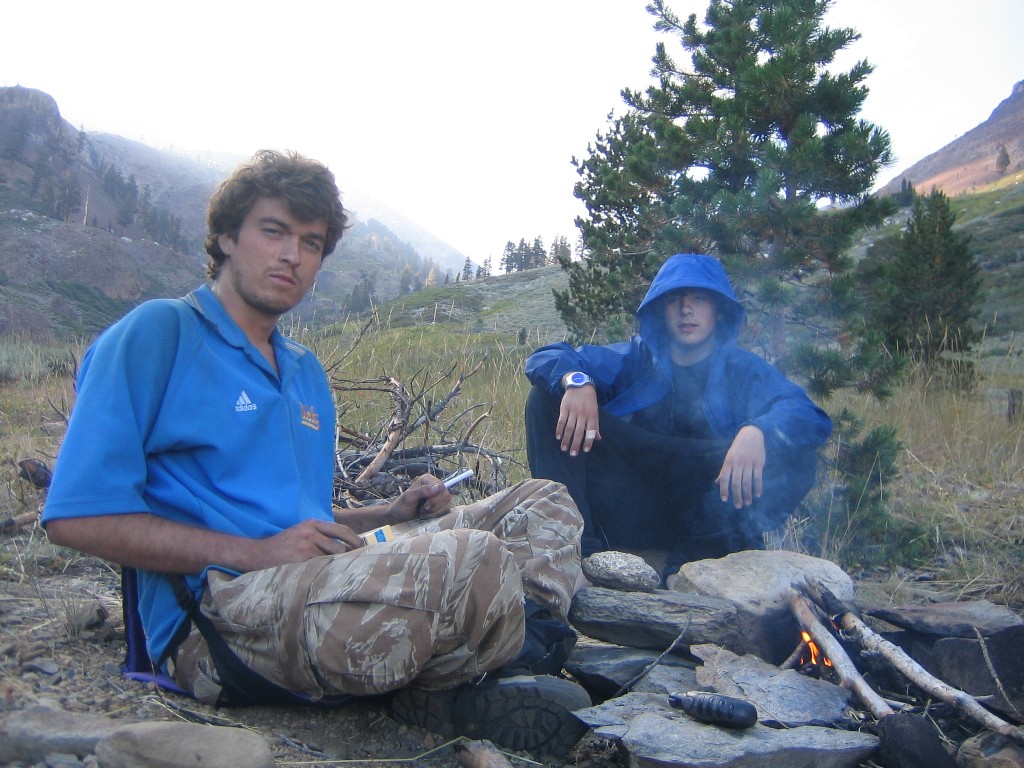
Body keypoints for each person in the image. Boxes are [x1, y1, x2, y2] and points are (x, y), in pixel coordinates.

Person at [41, 150, 590, 757]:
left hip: (308, 581)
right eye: (273, 231)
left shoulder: (304, 372)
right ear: (226, 237)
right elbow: (76, 518)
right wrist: (254, 554)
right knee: (472, 558)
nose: (292, 256)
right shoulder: (159, 334)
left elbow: (294, 521)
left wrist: (390, 514)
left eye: (311, 243)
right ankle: (500, 662)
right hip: (216, 615)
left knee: (542, 502)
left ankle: (505, 655)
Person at [524, 253, 832, 581]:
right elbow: (549, 356)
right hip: (629, 503)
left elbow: (806, 414)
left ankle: (693, 565)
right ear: (660, 310)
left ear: (718, 310)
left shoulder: (743, 371)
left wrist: (759, 430)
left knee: (796, 452)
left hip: (706, 515)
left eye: (699, 298)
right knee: (547, 398)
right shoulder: (637, 359)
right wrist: (576, 380)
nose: (687, 309)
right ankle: (574, 552)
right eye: (674, 300)